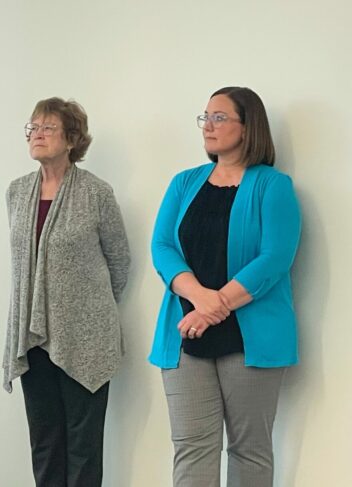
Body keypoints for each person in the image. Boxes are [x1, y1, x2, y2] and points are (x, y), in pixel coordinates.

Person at [149, 87, 301, 487]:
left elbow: (274, 258)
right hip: (185, 335)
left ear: (248, 127)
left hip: (251, 338)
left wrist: (213, 308)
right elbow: (162, 247)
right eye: (205, 117)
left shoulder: (273, 185)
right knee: (191, 447)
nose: (208, 126)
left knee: (249, 450)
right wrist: (200, 300)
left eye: (220, 117)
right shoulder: (184, 183)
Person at [3, 97, 130, 486]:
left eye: (47, 128)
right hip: (31, 335)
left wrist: (83, 310)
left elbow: (119, 262)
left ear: (72, 138)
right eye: (32, 128)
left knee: (84, 449)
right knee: (44, 444)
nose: (36, 135)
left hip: (85, 339)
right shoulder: (17, 192)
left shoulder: (96, 193)